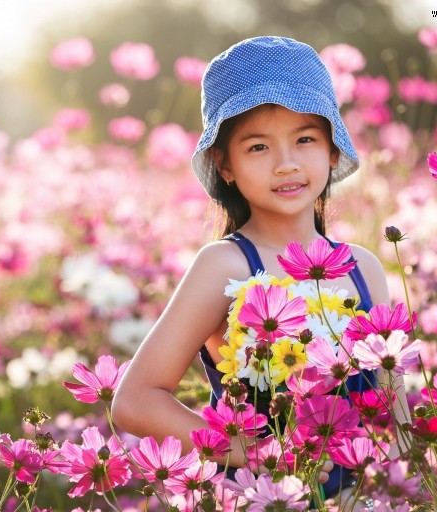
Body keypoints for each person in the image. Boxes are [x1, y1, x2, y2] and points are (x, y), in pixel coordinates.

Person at [111, 36, 412, 510]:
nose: (286, 162)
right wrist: (257, 451)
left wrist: (386, 491)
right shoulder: (225, 265)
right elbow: (135, 401)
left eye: (305, 138)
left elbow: (395, 414)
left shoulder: (364, 268)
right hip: (259, 497)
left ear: (333, 150)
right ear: (224, 164)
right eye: (257, 147)